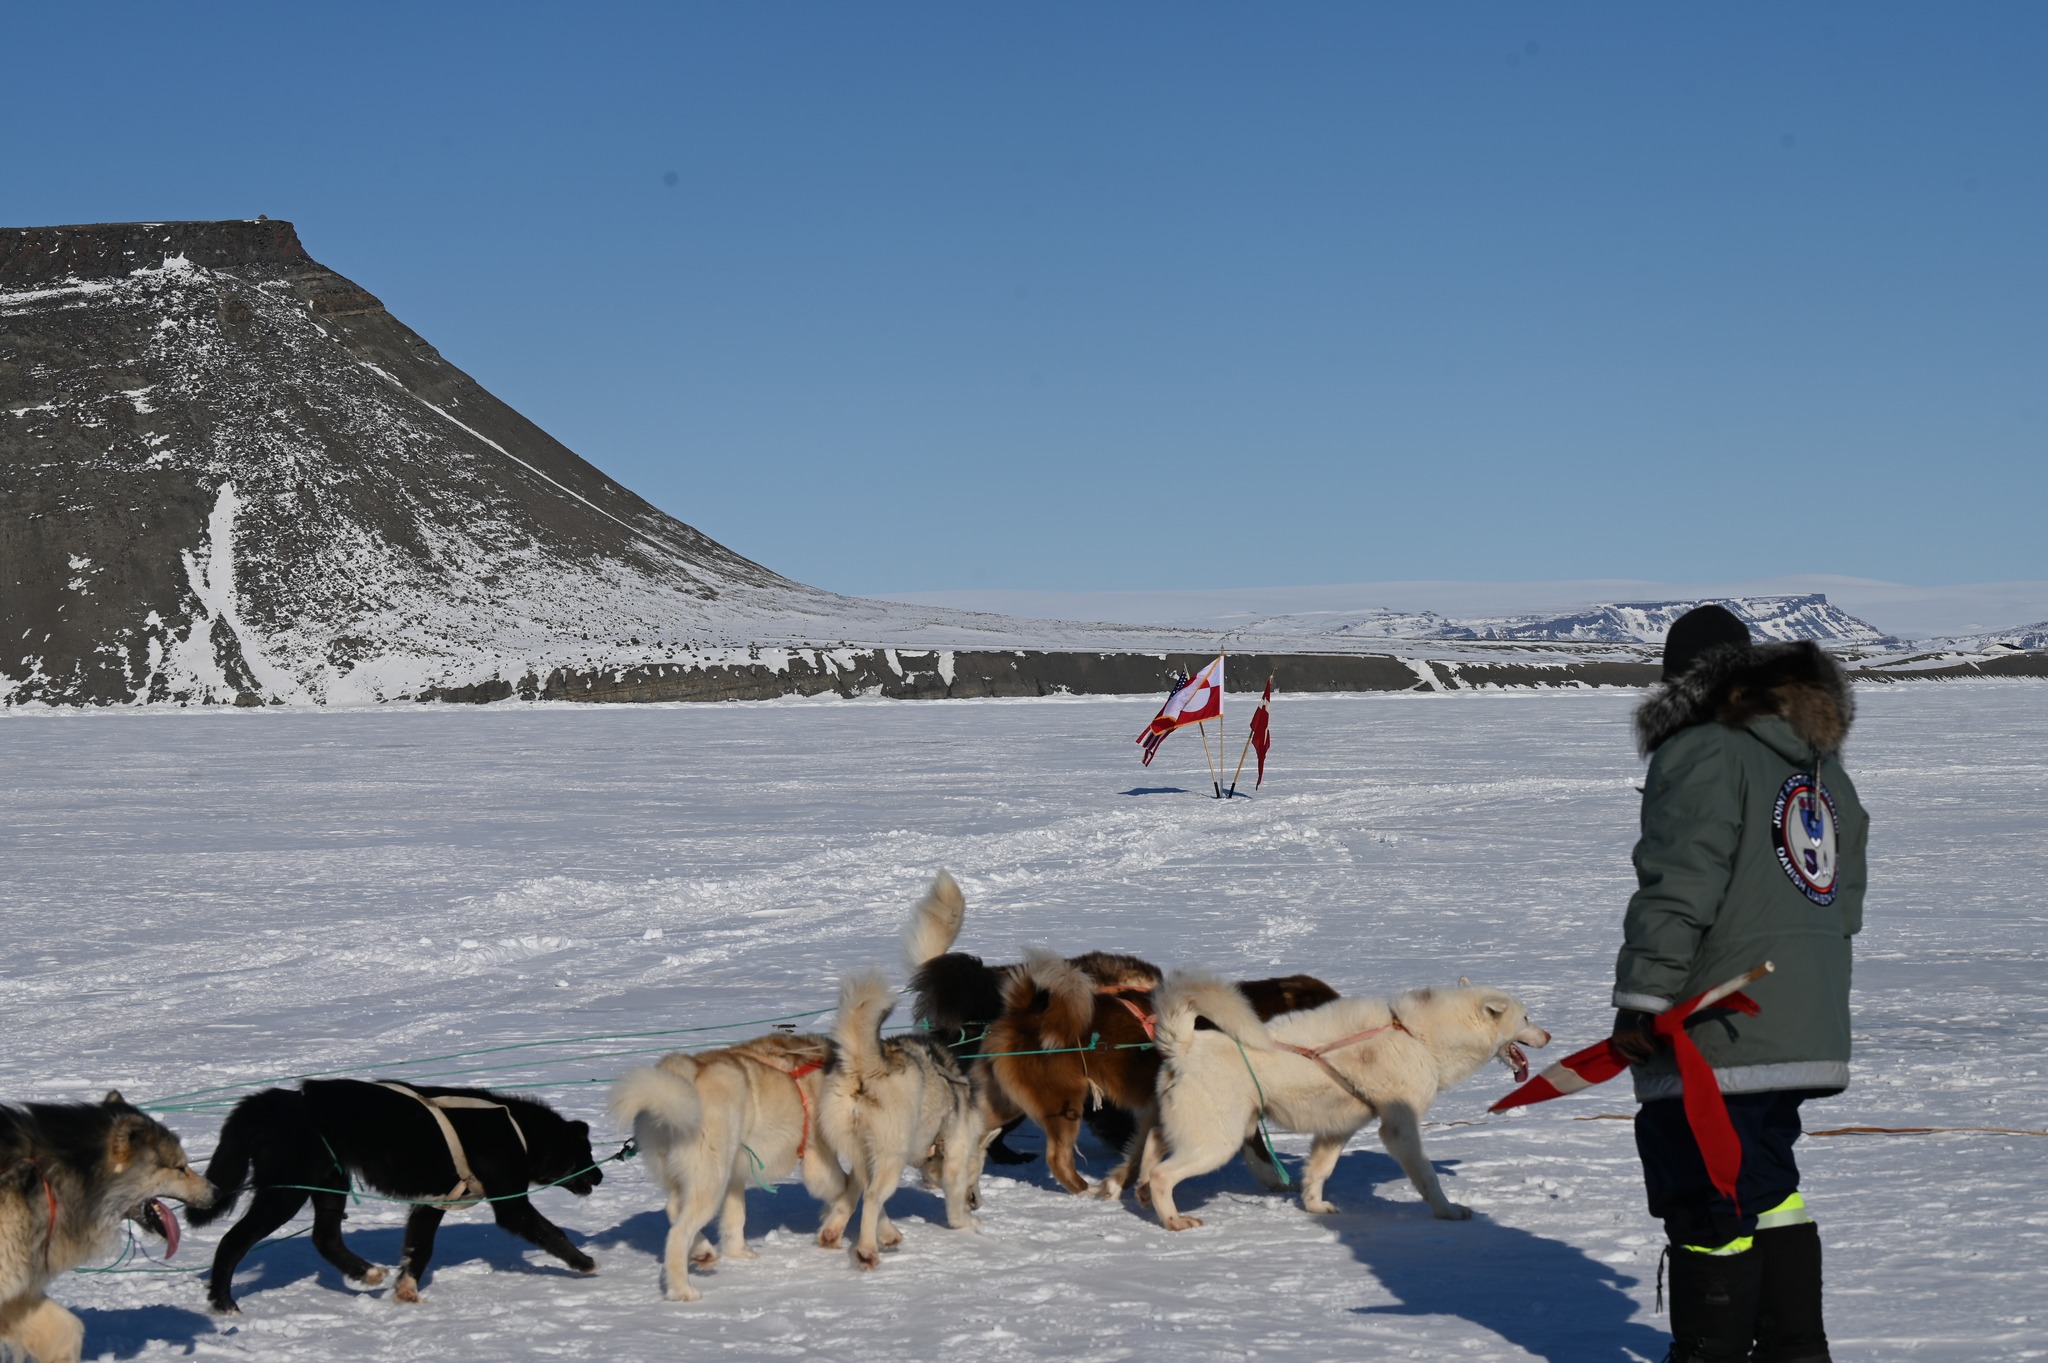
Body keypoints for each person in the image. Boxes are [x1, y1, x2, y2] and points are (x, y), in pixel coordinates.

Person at [1610, 604, 1869, 1363]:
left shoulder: (1702, 751)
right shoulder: (1818, 764)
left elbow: (1679, 886)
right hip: (1801, 1018)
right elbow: (1845, 898)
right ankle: (1796, 1350)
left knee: (1706, 1195)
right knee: (1767, 1182)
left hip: (1719, 1026)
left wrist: (1642, 1000)